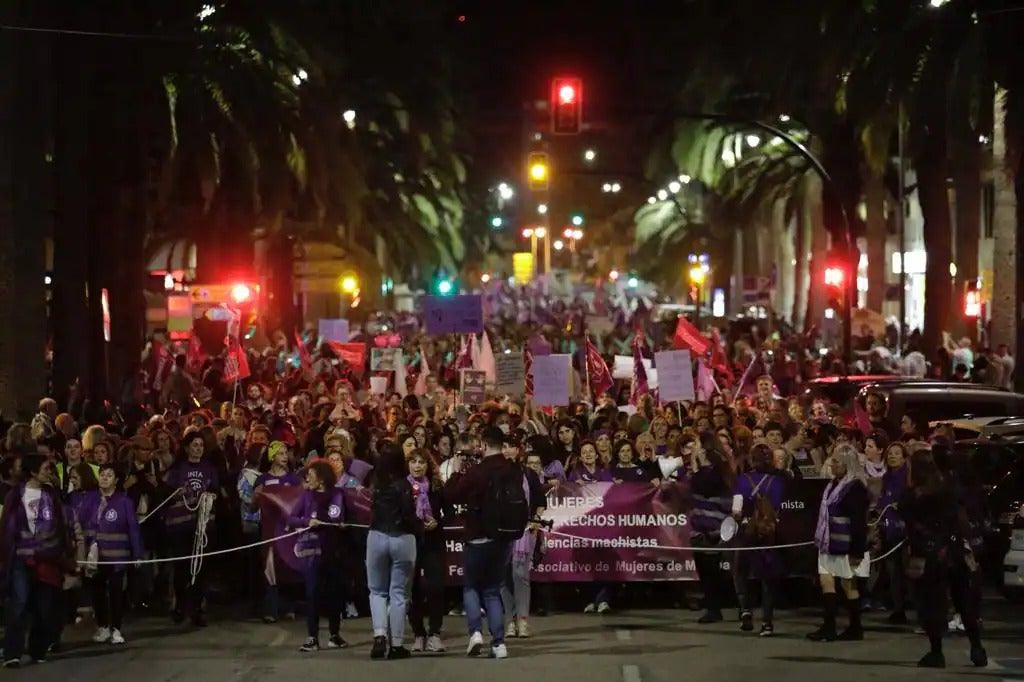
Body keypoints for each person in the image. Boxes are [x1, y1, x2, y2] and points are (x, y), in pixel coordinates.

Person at [900, 449, 987, 668]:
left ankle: (936, 652)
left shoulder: (913, 495)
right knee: (963, 601)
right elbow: (957, 519)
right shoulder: (947, 489)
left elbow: (912, 525)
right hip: (953, 551)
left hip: (929, 555)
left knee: (931, 604)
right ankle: (977, 647)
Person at [444, 425, 523, 659]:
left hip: (477, 536)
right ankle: (499, 643)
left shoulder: (477, 471)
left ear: (485, 445)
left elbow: (452, 495)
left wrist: (457, 472)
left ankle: (476, 632)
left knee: (470, 586)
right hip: (503, 538)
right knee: (492, 589)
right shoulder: (513, 470)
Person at [0, 454, 74, 667]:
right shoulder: (15, 496)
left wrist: (64, 556)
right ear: (33, 471)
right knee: (19, 604)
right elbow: (7, 527)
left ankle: (37, 649)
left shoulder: (51, 496)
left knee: (44, 607)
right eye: (45, 469)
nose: (48, 473)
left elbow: (60, 527)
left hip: (47, 558)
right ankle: (12, 652)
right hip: (21, 558)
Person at [807, 444, 869, 642]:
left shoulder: (856, 488)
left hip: (844, 543)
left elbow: (859, 522)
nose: (831, 465)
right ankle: (829, 626)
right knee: (826, 581)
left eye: (835, 461)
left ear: (847, 464)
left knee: (848, 584)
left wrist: (857, 551)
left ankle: (855, 627)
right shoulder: (833, 484)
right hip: (828, 542)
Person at [366, 445, 420, 660]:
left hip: (377, 535)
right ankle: (397, 644)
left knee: (377, 591)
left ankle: (379, 634)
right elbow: (408, 513)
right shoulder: (404, 485)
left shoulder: (376, 483)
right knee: (398, 593)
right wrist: (420, 528)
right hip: (402, 538)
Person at [288, 458, 347, 652]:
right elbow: (291, 518)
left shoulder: (337, 494)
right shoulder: (306, 496)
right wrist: (306, 522)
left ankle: (334, 634)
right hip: (312, 552)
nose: (308, 479)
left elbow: (337, 515)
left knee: (334, 594)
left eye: (311, 476)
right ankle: (312, 637)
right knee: (312, 593)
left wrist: (339, 523)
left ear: (321, 479)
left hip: (333, 551)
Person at [80, 463, 144, 644]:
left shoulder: (124, 502)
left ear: (116, 480)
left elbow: (133, 530)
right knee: (97, 592)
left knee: (116, 592)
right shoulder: (90, 500)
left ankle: (116, 627)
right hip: (94, 556)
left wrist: (137, 554)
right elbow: (82, 524)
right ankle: (102, 626)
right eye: (102, 474)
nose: (105, 478)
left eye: (109, 475)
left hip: (117, 557)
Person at [162, 431, 219, 626]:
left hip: (202, 526)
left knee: (201, 569)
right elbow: (167, 494)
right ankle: (180, 605)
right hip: (181, 526)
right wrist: (180, 493)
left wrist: (210, 497)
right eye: (194, 445)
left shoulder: (209, 469)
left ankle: (197, 608)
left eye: (201, 445)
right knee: (181, 568)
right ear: (186, 448)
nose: (198, 449)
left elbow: (216, 491)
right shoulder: (177, 470)